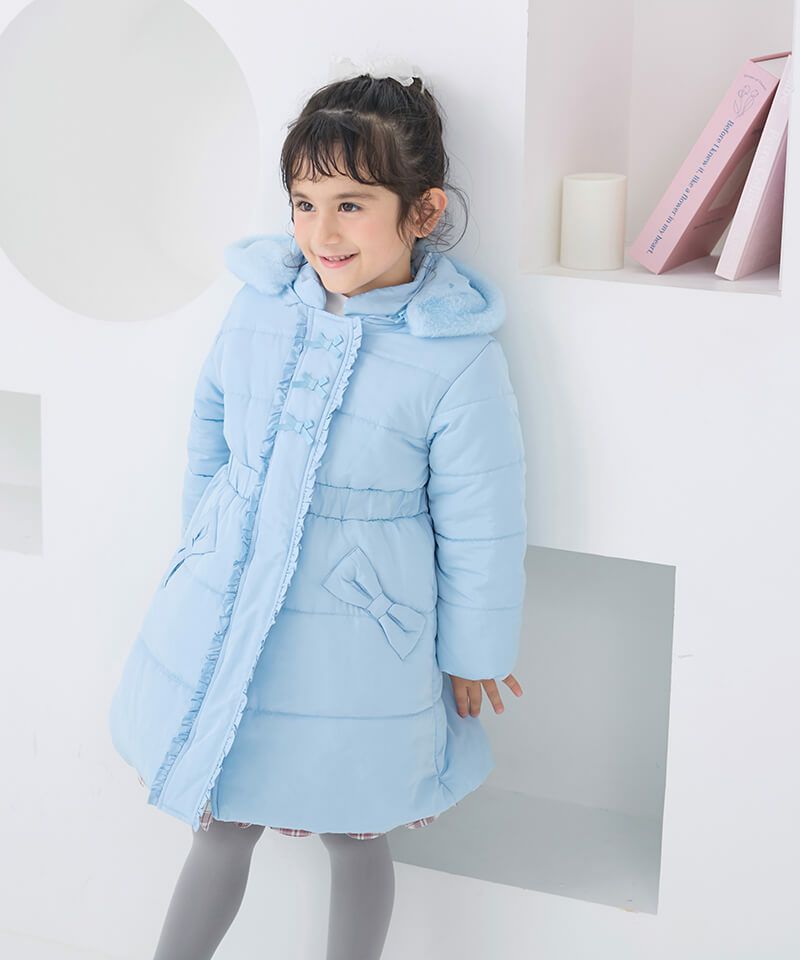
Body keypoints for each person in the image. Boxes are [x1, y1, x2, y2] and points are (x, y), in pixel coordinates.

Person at [108, 63, 527, 960]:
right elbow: (211, 433)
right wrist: (199, 551)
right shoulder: (261, 308)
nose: (320, 232)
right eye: (303, 204)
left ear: (422, 211)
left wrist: (477, 650)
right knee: (221, 811)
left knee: (357, 823)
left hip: (359, 635)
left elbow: (482, 517)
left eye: (350, 205)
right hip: (230, 602)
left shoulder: (453, 356)